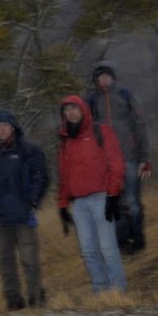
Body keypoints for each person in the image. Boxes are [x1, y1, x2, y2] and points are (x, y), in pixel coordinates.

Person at [0, 109, 50, 310]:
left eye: (7, 125)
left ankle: (36, 299)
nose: (3, 129)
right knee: (5, 263)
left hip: (23, 216)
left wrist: (33, 201)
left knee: (29, 259)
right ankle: (13, 301)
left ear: (14, 128)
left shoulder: (27, 150)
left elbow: (41, 176)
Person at [56, 94, 127, 293]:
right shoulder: (66, 140)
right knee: (88, 251)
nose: (70, 112)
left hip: (101, 198)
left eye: (74, 108)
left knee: (108, 249)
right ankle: (100, 292)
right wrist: (62, 205)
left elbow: (117, 164)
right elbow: (64, 174)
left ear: (82, 110)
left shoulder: (100, 130)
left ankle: (117, 293)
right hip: (79, 204)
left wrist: (113, 195)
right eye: (66, 110)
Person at [85, 61, 151, 254]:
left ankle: (138, 240)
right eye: (100, 77)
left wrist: (145, 158)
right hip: (105, 163)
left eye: (107, 76)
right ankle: (123, 245)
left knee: (131, 202)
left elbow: (141, 127)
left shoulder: (126, 95)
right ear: (96, 80)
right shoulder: (90, 101)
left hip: (130, 158)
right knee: (115, 203)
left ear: (113, 77)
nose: (104, 79)